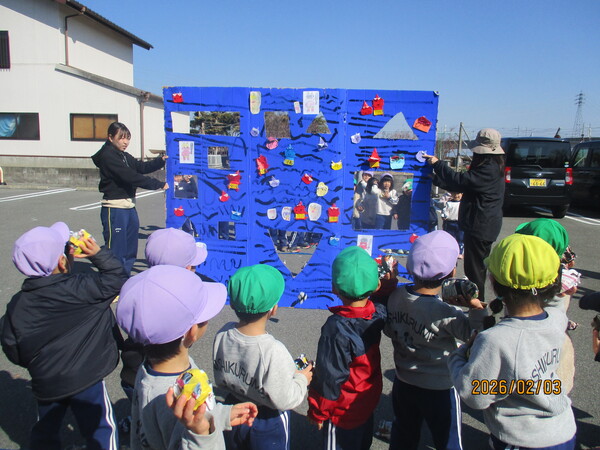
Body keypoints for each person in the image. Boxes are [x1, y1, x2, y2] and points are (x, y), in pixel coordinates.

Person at [0, 222, 127, 450]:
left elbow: (11, 344)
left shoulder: (17, 305)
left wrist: (35, 362)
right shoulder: (82, 288)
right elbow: (117, 278)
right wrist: (97, 254)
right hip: (86, 376)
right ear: (62, 261)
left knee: (46, 427)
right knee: (100, 427)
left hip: (46, 377)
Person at [448, 234, 577, 450]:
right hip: (562, 430)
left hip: (523, 439)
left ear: (494, 283)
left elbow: (475, 395)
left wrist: (459, 355)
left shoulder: (496, 340)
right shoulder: (556, 318)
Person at [115, 265, 258, 449]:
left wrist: (220, 415)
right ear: (192, 332)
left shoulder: (149, 366)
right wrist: (202, 434)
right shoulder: (173, 403)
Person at [384, 230, 486, 450]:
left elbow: (389, 330)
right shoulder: (445, 311)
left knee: (404, 433)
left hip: (404, 380)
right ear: (452, 272)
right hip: (441, 387)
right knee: (448, 439)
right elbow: (474, 335)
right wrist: (476, 309)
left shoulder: (396, 297)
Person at [213, 264, 313, 449]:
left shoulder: (223, 333)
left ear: (233, 303)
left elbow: (220, 377)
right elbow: (285, 399)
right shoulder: (274, 350)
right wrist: (302, 379)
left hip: (233, 409)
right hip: (267, 420)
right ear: (273, 309)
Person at [119, 228, 212, 404]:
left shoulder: (138, 288)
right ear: (186, 268)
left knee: (140, 408)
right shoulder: (177, 303)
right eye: (193, 266)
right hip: (167, 385)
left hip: (134, 372)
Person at [308, 246, 386, 450]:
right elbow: (383, 300)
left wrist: (318, 412)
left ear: (334, 288)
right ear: (377, 285)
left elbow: (329, 377)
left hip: (341, 413)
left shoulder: (336, 328)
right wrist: (390, 283)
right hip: (365, 402)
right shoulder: (377, 313)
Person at [424, 128, 505, 302]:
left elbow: (461, 180)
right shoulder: (493, 166)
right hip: (483, 225)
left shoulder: (488, 168)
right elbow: (462, 185)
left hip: (481, 226)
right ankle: (477, 304)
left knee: (475, 271)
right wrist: (435, 179)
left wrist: (438, 164)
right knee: (476, 269)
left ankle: (478, 307)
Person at [92, 122, 169, 274]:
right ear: (110, 138)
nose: (125, 142)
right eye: (121, 138)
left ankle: (124, 278)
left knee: (130, 249)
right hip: (114, 207)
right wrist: (158, 184)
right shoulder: (108, 156)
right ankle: (112, 282)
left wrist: (161, 160)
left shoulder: (123, 155)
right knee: (116, 251)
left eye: (127, 138)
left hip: (129, 206)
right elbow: (130, 176)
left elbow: (141, 167)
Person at [441, 192, 464, 257]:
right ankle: (450, 251)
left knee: (460, 238)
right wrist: (444, 216)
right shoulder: (449, 203)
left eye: (458, 194)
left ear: (462, 194)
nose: (456, 196)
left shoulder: (463, 203)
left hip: (460, 223)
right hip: (450, 222)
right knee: (450, 238)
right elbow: (445, 211)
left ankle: (460, 252)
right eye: (454, 194)